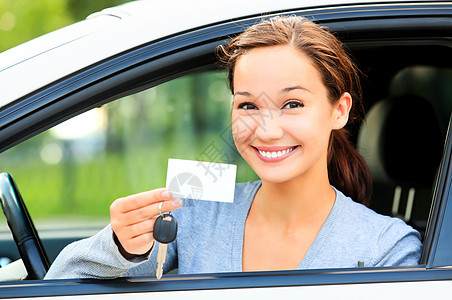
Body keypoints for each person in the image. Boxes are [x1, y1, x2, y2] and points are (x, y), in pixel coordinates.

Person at [45, 16, 421, 279]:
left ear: (339, 110)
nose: (267, 131)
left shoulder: (385, 245)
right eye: (248, 105)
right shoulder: (197, 192)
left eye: (292, 104)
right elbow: (59, 282)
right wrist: (120, 246)